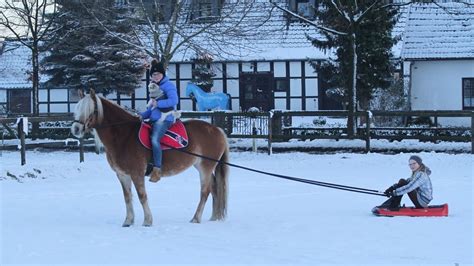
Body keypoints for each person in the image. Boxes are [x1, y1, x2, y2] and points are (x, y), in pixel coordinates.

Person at [140, 59, 178, 183]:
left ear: (163, 74)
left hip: (166, 118)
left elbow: (174, 101)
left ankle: (157, 170)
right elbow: (152, 108)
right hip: (155, 118)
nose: (155, 76)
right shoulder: (154, 87)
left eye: (158, 74)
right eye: (153, 75)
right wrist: (141, 115)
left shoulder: (168, 86)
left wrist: (159, 102)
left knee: (155, 139)